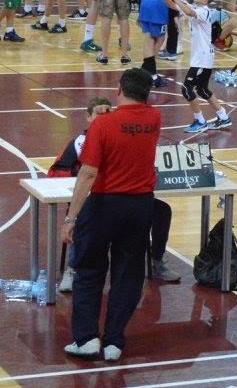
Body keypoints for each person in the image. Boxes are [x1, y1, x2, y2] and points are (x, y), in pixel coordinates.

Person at [62, 68, 163, 361]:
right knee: (128, 274)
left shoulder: (103, 125)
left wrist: (71, 218)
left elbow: (88, 173)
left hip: (104, 205)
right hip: (140, 206)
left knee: (89, 270)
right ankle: (114, 341)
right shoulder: (155, 119)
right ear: (147, 93)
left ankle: (87, 339)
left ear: (119, 90)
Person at [49, 96, 180, 284]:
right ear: (88, 117)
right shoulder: (80, 142)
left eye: (107, 112)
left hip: (126, 197)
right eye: (98, 113)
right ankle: (73, 268)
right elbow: (55, 171)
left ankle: (156, 261)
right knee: (80, 214)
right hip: (93, 198)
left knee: (162, 211)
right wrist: (81, 178)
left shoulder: (124, 136)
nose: (103, 116)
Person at [163, 0, 231, 133]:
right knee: (202, 89)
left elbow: (187, 11)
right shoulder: (195, 7)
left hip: (202, 58)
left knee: (186, 89)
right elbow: (172, 5)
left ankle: (200, 121)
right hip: (201, 57)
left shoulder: (205, 11)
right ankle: (224, 117)